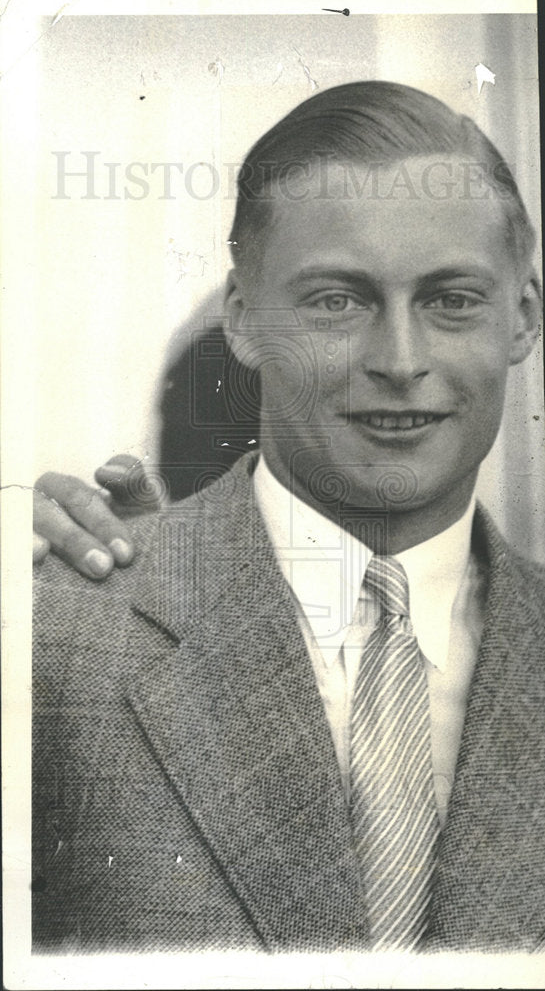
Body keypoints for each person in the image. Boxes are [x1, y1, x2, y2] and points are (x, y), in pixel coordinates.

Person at [33, 80, 545, 955]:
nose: (399, 359)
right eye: (336, 301)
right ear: (242, 320)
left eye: (450, 299)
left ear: (522, 319)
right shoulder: (47, 634)